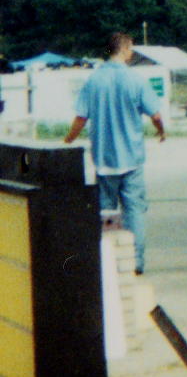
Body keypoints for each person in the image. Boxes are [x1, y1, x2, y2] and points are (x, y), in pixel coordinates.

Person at [64, 32, 165, 274]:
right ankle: (136, 263)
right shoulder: (136, 79)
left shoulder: (93, 80)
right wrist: (161, 132)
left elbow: (80, 117)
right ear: (126, 48)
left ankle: (108, 262)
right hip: (131, 159)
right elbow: (156, 115)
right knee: (134, 212)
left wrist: (68, 139)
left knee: (106, 212)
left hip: (103, 159)